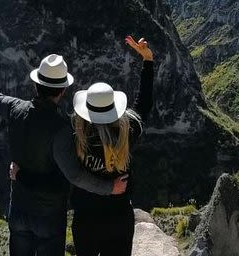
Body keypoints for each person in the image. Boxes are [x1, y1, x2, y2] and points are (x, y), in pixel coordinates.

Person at [0, 54, 127, 256]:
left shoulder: (15, 108)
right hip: (49, 216)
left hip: (19, 210)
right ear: (63, 90)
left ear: (36, 85)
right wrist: (110, 187)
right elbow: (74, 175)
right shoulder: (61, 128)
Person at [13, 36, 154, 256]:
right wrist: (147, 61)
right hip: (119, 217)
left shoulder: (74, 134)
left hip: (86, 220)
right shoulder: (128, 131)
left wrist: (21, 175)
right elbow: (144, 103)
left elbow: (59, 173)